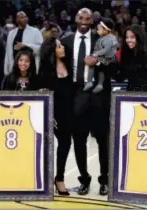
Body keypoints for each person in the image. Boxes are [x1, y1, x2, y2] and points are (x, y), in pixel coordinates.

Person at [61, 8, 110, 196]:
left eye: (87, 19)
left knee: (102, 141)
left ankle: (104, 179)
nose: (84, 21)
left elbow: (112, 66)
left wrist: (97, 62)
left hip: (98, 98)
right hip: (76, 96)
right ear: (75, 19)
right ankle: (84, 179)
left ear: (92, 21)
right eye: (81, 18)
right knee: (79, 141)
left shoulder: (102, 41)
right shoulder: (65, 41)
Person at [38, 37, 72, 196]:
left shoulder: (68, 63)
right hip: (51, 113)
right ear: (53, 50)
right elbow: (42, 94)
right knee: (44, 146)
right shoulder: (44, 69)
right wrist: (49, 115)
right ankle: (42, 178)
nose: (62, 47)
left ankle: (59, 178)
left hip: (67, 112)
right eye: (59, 46)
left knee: (65, 143)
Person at [117, 24, 147, 92]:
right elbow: (120, 77)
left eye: (132, 37)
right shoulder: (127, 56)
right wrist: (112, 63)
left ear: (139, 38)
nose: (128, 40)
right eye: (127, 37)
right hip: (130, 96)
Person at [84, 18, 118, 93]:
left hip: (105, 59)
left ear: (105, 30)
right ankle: (99, 84)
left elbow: (105, 50)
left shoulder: (108, 40)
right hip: (103, 59)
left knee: (93, 66)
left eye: (99, 29)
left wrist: (95, 54)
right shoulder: (104, 38)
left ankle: (90, 82)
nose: (97, 31)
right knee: (100, 70)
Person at [4, 11, 43, 76]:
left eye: (25, 17)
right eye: (22, 17)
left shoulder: (35, 31)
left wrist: (25, 45)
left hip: (30, 69)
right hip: (14, 69)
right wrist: (6, 70)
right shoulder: (11, 34)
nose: (25, 19)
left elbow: (40, 49)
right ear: (17, 20)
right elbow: (8, 53)